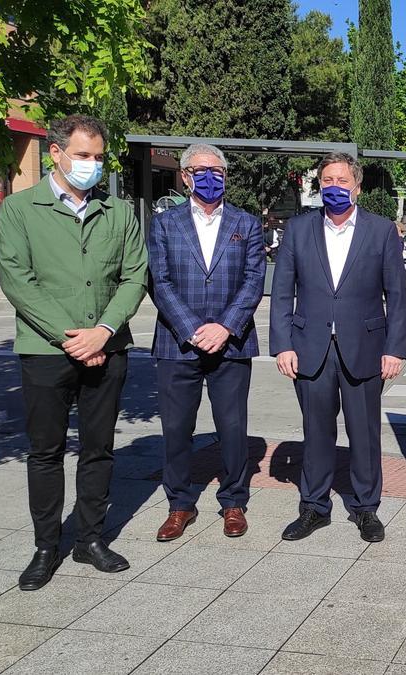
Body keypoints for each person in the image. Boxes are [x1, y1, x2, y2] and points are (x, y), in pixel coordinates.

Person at [0, 114, 147, 590]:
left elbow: (134, 276)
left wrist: (102, 331)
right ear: (55, 153)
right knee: (46, 451)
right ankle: (45, 548)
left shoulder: (119, 212)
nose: (92, 165)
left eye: (99, 157)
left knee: (98, 450)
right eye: (83, 156)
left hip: (108, 347)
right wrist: (72, 338)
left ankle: (89, 540)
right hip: (45, 352)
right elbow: (19, 282)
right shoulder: (20, 209)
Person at [269, 151, 406, 543]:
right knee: (316, 432)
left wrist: (395, 349)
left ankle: (366, 509)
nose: (334, 188)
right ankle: (314, 507)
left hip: (364, 346)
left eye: (342, 181)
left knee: (364, 433)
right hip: (309, 346)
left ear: (357, 187)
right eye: (327, 181)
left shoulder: (381, 231)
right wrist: (282, 345)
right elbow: (282, 293)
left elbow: (395, 296)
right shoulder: (298, 229)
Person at [147, 143, 266, 542]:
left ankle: (233, 501)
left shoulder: (247, 224)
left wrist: (225, 327)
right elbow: (158, 281)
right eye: (201, 169)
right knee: (177, 429)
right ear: (184, 176)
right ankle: (180, 504)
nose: (210, 176)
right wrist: (193, 329)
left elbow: (253, 281)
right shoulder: (164, 224)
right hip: (178, 343)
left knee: (232, 428)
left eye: (217, 170)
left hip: (231, 343)